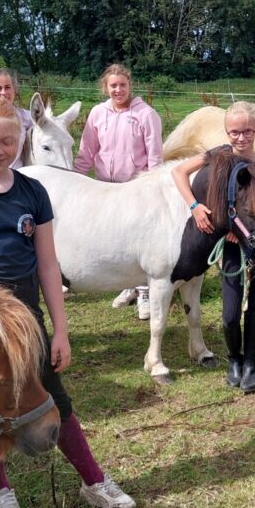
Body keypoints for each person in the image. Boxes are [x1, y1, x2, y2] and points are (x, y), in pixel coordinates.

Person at [0, 96, 135, 508]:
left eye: (7, 140)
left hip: (25, 321)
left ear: (21, 138)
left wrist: (60, 331)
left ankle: (93, 478)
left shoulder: (32, 192)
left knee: (54, 398)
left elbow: (47, 266)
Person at [172, 101, 255, 394]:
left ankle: (251, 365)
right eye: (235, 131)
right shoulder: (218, 156)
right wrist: (195, 207)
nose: (241, 137)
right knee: (230, 312)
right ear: (227, 132)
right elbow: (179, 173)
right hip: (231, 244)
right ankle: (234, 359)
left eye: (247, 131)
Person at [75, 63, 163, 320]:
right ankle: (128, 287)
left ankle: (145, 292)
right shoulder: (97, 113)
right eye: (113, 85)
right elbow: (86, 150)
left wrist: (153, 187)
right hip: (105, 187)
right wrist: (74, 179)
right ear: (106, 87)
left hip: (135, 188)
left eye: (122, 85)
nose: (118, 90)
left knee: (140, 241)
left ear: (129, 85)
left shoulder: (146, 114)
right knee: (117, 241)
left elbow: (155, 156)